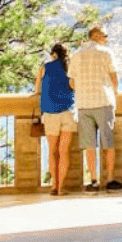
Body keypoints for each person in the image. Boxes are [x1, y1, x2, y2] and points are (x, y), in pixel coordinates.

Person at [67, 26, 122, 191]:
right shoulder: (106, 53)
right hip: (103, 101)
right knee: (108, 143)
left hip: (84, 104)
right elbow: (114, 77)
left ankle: (93, 180)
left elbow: (71, 82)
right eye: (105, 36)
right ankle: (110, 179)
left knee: (89, 145)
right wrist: (115, 92)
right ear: (97, 36)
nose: (106, 39)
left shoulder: (77, 54)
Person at [34, 43, 77, 195]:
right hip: (67, 112)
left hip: (50, 113)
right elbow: (74, 86)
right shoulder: (70, 68)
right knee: (64, 152)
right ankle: (61, 188)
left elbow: (37, 88)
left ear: (53, 54)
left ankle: (53, 185)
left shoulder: (45, 66)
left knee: (52, 152)